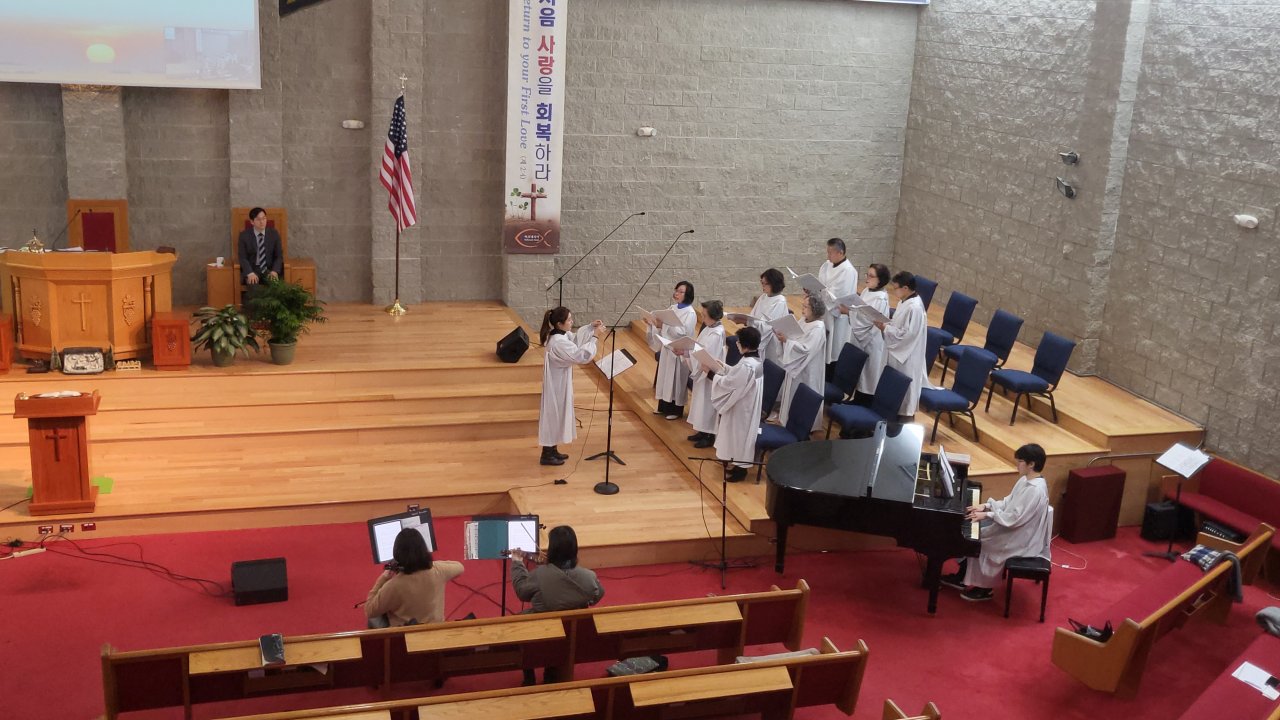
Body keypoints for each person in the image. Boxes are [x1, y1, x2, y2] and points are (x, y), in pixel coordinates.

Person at [942, 444, 1051, 602]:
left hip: (1020, 537)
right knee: (973, 530)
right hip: (1013, 528)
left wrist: (987, 514)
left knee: (977, 540)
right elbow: (1008, 502)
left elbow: (1014, 519)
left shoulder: (1035, 490)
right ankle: (963, 575)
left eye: (1020, 461)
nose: (1017, 464)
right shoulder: (1025, 481)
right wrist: (986, 506)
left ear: (1031, 464)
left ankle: (985, 588)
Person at [511, 525, 604, 684]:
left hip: (541, 632)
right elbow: (597, 595)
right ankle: (551, 673)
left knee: (518, 623)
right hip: (572, 634)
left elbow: (522, 592)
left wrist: (517, 563)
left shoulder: (540, 575)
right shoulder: (589, 577)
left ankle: (529, 677)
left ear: (552, 549)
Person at [538, 306, 607, 466]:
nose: (572, 322)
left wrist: (590, 327)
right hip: (556, 385)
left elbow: (575, 340)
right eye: (569, 320)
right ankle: (546, 455)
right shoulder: (558, 342)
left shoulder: (559, 335)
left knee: (558, 414)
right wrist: (594, 337)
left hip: (559, 380)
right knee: (553, 415)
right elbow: (580, 355)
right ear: (559, 324)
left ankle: (552, 450)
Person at [364, 527, 464, 628]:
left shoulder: (393, 586)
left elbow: (369, 610)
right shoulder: (438, 571)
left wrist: (383, 578)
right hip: (435, 629)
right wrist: (430, 564)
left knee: (374, 617)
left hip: (406, 633)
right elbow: (460, 567)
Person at [709, 327, 764, 482]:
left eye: (739, 342)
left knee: (740, 436)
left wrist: (711, 374)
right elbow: (737, 375)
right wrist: (724, 367)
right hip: (746, 404)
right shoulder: (754, 360)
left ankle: (741, 470)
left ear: (745, 345)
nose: (737, 344)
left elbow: (731, 383)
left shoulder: (747, 365)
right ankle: (737, 464)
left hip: (742, 407)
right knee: (738, 436)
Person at [875, 271, 929, 417]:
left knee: (904, 388)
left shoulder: (915, 308)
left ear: (905, 288)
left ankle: (904, 417)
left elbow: (908, 335)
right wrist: (887, 324)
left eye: (896, 288)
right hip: (898, 350)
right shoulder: (903, 302)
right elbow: (899, 325)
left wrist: (886, 328)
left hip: (907, 354)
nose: (894, 291)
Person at [646, 281, 697, 420]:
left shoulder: (690, 313)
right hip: (667, 347)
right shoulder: (672, 308)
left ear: (688, 295)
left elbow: (683, 332)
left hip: (678, 350)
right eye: (676, 290)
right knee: (664, 378)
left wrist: (664, 324)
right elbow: (663, 324)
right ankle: (663, 406)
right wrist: (654, 323)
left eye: (681, 291)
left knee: (676, 380)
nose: (677, 293)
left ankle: (676, 410)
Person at [776, 294, 826, 432]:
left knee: (803, 397)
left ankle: (801, 426)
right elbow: (795, 336)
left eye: (806, 307)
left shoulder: (818, 328)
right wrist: (784, 338)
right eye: (803, 306)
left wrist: (787, 341)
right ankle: (785, 419)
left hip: (807, 369)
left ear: (814, 309)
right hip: (796, 365)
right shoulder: (804, 320)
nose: (802, 309)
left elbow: (806, 350)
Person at [842, 263, 891, 398]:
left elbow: (868, 320)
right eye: (867, 274)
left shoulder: (880, 298)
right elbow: (860, 310)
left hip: (871, 340)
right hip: (859, 337)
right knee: (858, 371)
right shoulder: (866, 290)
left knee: (868, 374)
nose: (867, 278)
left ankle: (864, 399)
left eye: (871, 276)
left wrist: (849, 312)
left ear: (880, 280)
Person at [683, 300, 726, 449]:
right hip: (702, 371)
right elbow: (699, 347)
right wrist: (688, 352)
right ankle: (701, 430)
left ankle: (709, 435)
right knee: (700, 402)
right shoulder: (709, 328)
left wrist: (688, 353)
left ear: (713, 316)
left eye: (704, 315)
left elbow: (708, 356)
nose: (702, 317)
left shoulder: (716, 333)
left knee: (707, 404)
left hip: (709, 374)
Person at [817, 238, 858, 371]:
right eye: (827, 252)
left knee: (834, 348)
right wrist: (812, 289)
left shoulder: (848, 271)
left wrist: (820, 291)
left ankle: (831, 372)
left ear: (840, 252)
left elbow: (839, 296)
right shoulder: (827, 265)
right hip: (824, 311)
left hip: (837, 315)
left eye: (830, 252)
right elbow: (821, 283)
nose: (828, 256)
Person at [748, 269, 789, 366]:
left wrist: (748, 322)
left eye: (765, 283)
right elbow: (753, 315)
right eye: (761, 283)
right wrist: (747, 320)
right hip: (759, 334)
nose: (762, 286)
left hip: (771, 343)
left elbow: (767, 327)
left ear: (773, 284)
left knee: (769, 367)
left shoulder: (780, 301)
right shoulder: (763, 297)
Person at [237, 207, 284, 291]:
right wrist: (250, 273)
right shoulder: (244, 236)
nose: (262, 222)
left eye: (264, 218)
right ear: (252, 222)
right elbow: (243, 258)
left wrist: (274, 271)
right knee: (253, 285)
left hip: (269, 269)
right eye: (258, 219)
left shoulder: (274, 234)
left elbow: (279, 256)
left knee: (275, 286)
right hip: (253, 270)